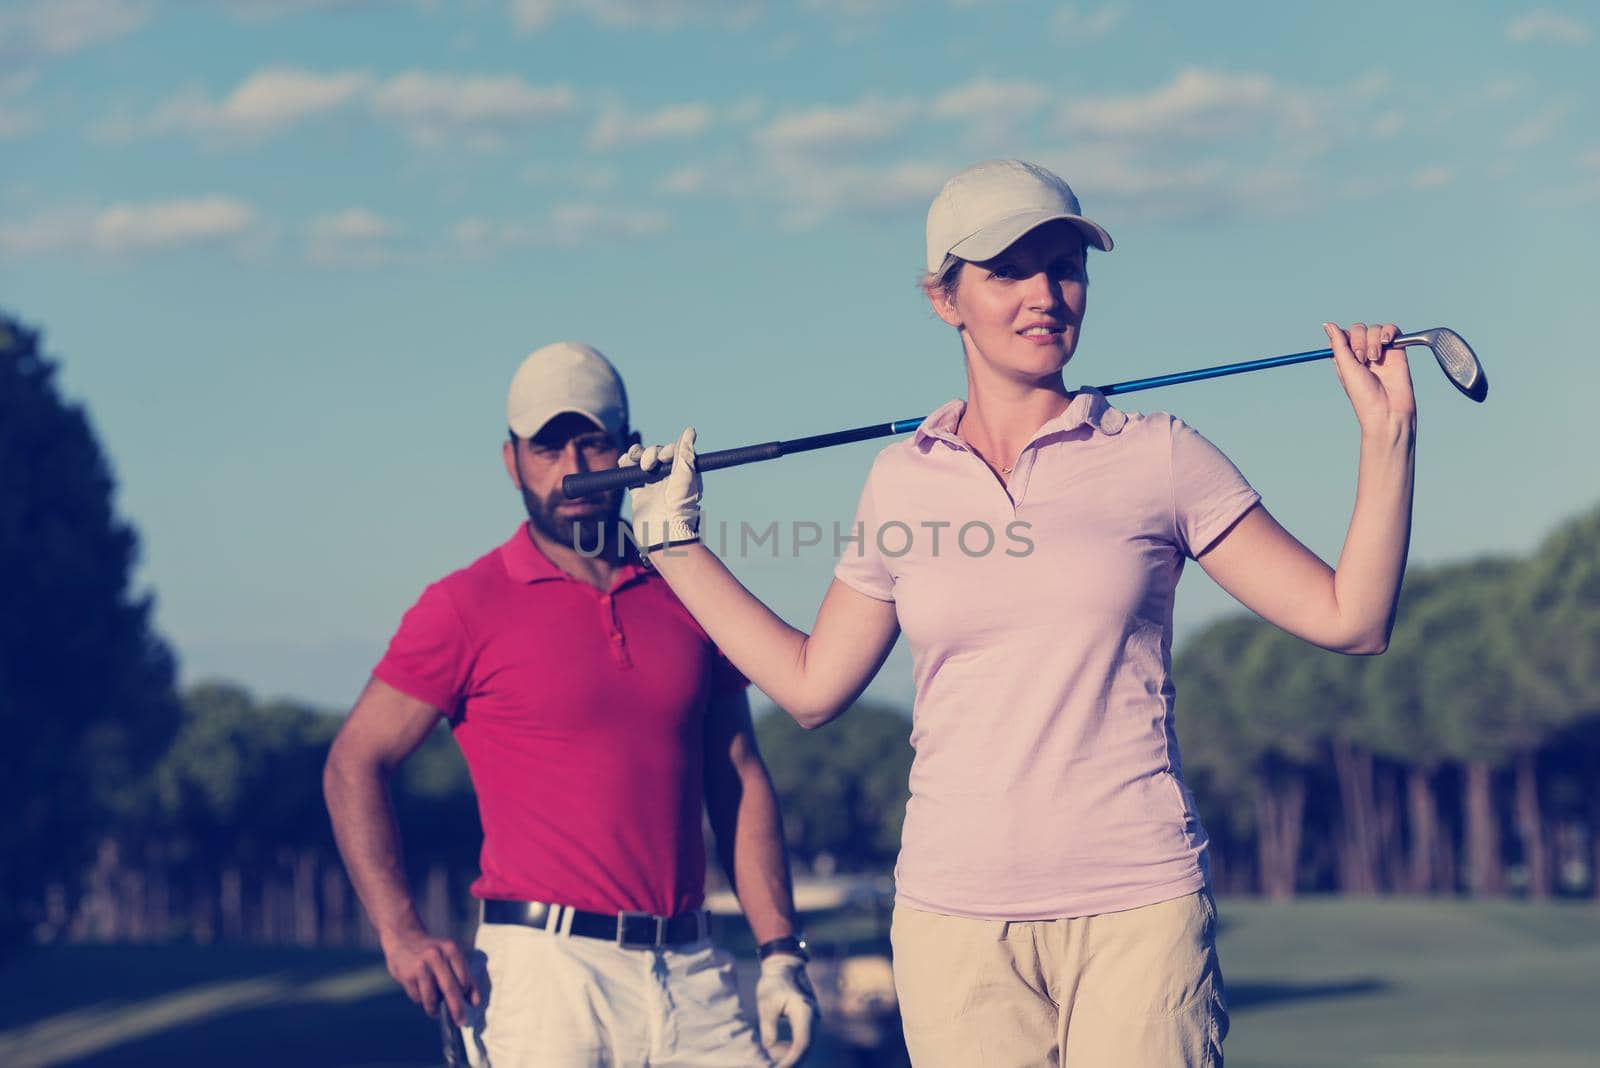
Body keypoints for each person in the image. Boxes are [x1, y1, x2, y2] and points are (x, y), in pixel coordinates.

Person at [619, 159, 1417, 1066]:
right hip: (954, 925)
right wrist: (675, 546)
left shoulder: (1160, 456)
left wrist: (1387, 436)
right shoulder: (900, 482)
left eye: (1065, 267)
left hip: (1136, 909)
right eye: (1008, 271)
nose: (1045, 294)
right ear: (944, 299)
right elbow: (811, 686)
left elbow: (1352, 618)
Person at [323, 341, 819, 1068]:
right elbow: (353, 763)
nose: (575, 469)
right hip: (543, 980)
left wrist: (780, 953)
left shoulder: (686, 589)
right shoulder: (464, 606)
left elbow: (737, 775)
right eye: (549, 447)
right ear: (511, 461)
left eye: (593, 442)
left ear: (629, 446)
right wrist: (401, 933)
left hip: (692, 972)